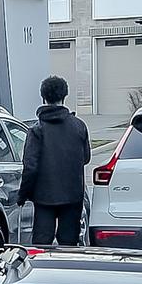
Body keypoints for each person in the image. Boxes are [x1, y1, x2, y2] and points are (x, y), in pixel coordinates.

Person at [17, 75, 91, 246]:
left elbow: (30, 167)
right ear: (64, 97)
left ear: (43, 98)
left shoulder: (37, 130)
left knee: (42, 243)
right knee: (69, 244)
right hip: (73, 195)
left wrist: (23, 195)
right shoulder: (79, 126)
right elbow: (86, 158)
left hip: (44, 197)